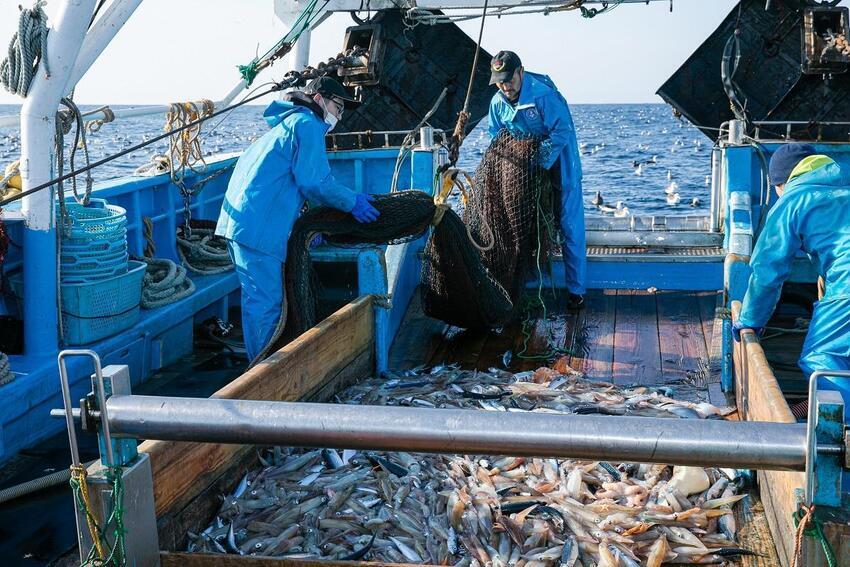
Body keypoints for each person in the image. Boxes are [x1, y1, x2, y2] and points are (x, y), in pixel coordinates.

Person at [216, 76, 380, 362]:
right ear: (318, 99)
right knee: (265, 304)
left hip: (242, 225)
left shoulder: (283, 124)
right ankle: (263, 376)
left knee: (256, 299)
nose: (338, 116)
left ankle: (259, 364)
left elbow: (283, 184)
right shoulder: (308, 124)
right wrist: (352, 201)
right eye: (337, 106)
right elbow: (314, 182)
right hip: (258, 230)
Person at [734, 143, 850, 377]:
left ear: (780, 183)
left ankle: (837, 414)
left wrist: (750, 321)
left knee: (824, 360)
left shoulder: (792, 201)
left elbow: (767, 273)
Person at [487, 50, 586, 310]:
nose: (505, 86)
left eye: (509, 79)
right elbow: (495, 136)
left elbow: (562, 129)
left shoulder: (544, 96)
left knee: (568, 225)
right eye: (499, 81)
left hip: (560, 165)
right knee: (517, 222)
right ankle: (520, 282)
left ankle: (576, 291)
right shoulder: (497, 102)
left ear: (521, 71)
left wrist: (541, 159)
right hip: (523, 171)